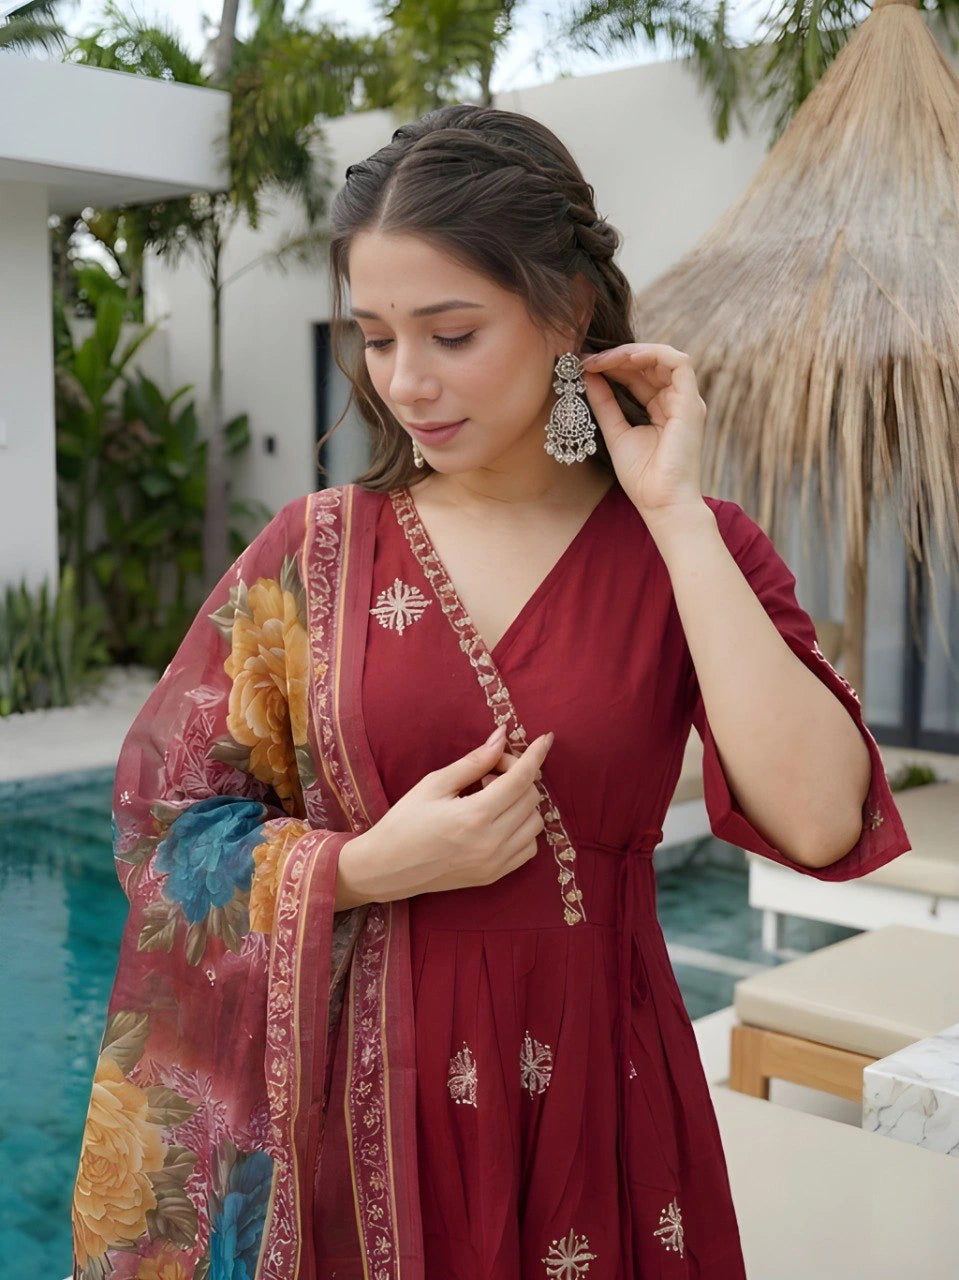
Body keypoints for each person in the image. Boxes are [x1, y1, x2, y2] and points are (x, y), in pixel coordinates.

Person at [70, 104, 911, 1280]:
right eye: (372, 337)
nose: (406, 381)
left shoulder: (688, 548)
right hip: (365, 1117)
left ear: (565, 310)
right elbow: (162, 833)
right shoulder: (313, 555)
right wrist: (364, 865)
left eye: (451, 332)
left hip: (603, 1105)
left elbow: (818, 817)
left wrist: (670, 511)